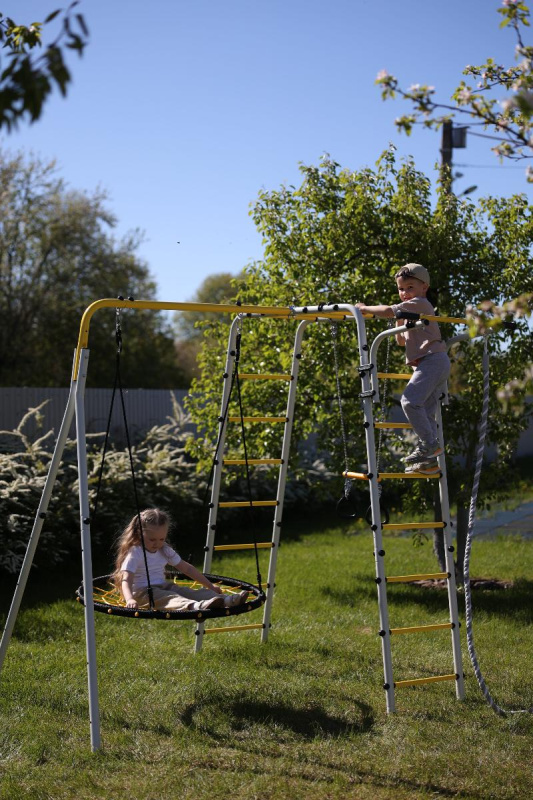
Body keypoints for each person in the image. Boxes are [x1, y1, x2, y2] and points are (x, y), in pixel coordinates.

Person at [355, 263, 450, 473]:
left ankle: (430, 445)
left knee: (409, 402)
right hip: (432, 362)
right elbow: (400, 341)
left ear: (423, 287)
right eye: (401, 289)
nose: (405, 293)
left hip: (432, 360)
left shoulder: (421, 304)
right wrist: (399, 319)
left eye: (410, 287)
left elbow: (388, 311)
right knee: (424, 412)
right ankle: (429, 462)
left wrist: (363, 310)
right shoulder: (410, 311)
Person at [112, 508, 248, 611]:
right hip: (140, 593)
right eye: (152, 539)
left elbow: (187, 568)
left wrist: (210, 586)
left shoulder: (164, 549)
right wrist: (129, 598)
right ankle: (195, 606)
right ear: (138, 534)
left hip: (162, 586)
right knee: (169, 598)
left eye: (161, 539)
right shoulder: (135, 552)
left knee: (187, 591)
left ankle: (228, 600)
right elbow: (127, 578)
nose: (157, 543)